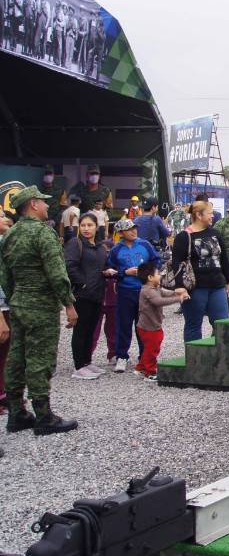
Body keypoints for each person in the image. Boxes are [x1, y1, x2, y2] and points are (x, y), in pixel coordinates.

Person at [1, 186, 79, 435]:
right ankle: (44, 416)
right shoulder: (43, 235)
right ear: (33, 204)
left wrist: (15, 297)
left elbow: (4, 275)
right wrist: (69, 304)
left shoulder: (9, 235)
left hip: (19, 302)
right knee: (40, 360)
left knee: (16, 358)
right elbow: (57, 274)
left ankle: (17, 413)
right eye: (43, 203)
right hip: (42, 306)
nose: (47, 206)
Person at [173, 200, 229, 343]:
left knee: (222, 324)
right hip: (195, 288)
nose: (213, 216)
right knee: (194, 325)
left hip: (217, 286)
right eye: (210, 213)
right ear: (199, 215)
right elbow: (177, 263)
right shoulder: (184, 236)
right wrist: (180, 286)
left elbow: (224, 259)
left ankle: (221, 357)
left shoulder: (215, 233)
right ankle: (193, 359)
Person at [105, 218, 160, 373]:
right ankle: (122, 356)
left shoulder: (145, 244)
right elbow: (110, 270)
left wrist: (146, 272)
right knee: (124, 324)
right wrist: (124, 272)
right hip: (125, 291)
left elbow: (157, 261)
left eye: (135, 228)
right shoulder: (116, 249)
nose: (134, 231)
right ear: (121, 233)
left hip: (144, 291)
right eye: (129, 229)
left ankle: (144, 356)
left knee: (143, 324)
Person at [64, 213, 114, 379]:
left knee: (91, 329)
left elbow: (101, 265)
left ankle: (87, 361)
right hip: (82, 294)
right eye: (83, 225)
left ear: (96, 226)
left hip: (98, 293)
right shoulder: (75, 243)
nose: (86, 229)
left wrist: (107, 271)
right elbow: (69, 266)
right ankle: (79, 366)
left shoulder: (100, 246)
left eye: (89, 225)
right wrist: (82, 282)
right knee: (81, 329)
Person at [134, 262, 188, 382]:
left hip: (152, 325)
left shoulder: (155, 287)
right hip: (148, 327)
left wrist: (175, 292)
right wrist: (178, 299)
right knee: (152, 349)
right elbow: (158, 301)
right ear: (150, 277)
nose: (161, 276)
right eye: (158, 274)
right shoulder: (147, 291)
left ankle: (140, 367)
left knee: (150, 347)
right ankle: (150, 372)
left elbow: (164, 292)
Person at [132, 197, 172, 261]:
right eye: (157, 207)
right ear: (153, 207)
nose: (157, 208)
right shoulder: (156, 219)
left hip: (138, 254)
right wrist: (166, 226)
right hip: (153, 253)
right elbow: (167, 233)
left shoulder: (136, 220)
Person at [0, 216, 11, 417]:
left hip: (8, 306)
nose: (6, 219)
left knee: (5, 355)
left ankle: (3, 394)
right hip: (1, 308)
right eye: (1, 217)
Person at [41, 165, 69, 231]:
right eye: (46, 174)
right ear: (43, 176)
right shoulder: (39, 191)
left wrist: (54, 221)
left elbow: (64, 209)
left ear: (53, 175)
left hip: (57, 225)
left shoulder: (61, 191)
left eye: (50, 174)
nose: (48, 176)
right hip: (42, 224)